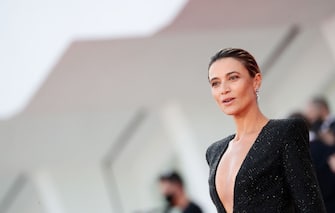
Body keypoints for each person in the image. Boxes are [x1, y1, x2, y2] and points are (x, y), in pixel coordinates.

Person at [205, 48, 326, 213]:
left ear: (256, 81)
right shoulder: (214, 152)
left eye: (233, 78)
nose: (224, 89)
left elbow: (311, 207)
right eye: (215, 83)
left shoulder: (285, 133)